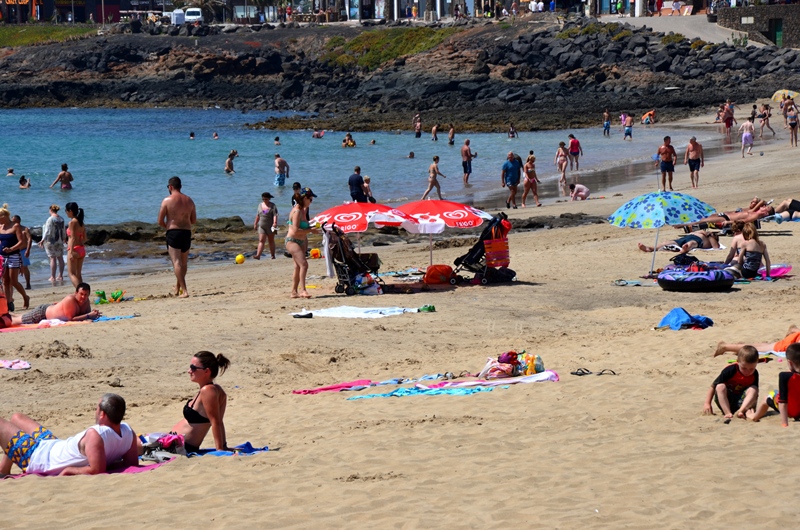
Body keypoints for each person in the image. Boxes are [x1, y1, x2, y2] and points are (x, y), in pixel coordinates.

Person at [0, 394, 137, 476]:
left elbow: (97, 470)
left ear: (102, 414)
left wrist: (70, 470)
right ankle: (3, 470)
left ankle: (2, 470)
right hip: (52, 444)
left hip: (36, 457)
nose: (95, 412)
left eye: (97, 408)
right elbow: (131, 464)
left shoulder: (95, 435)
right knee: (16, 418)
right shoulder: (128, 432)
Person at [169, 351, 231, 453]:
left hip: (179, 446)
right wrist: (223, 446)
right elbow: (219, 421)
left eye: (193, 368)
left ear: (206, 371)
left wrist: (220, 449)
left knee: (139, 444)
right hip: (175, 442)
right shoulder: (216, 389)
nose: (189, 371)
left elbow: (216, 422)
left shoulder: (208, 391)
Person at [158, 177, 196, 298]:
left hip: (173, 232)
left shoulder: (167, 200)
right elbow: (193, 220)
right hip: (186, 232)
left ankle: (184, 291)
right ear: (180, 186)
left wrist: (169, 227)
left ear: (170, 187)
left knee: (176, 262)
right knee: (183, 263)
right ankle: (177, 288)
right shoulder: (189, 200)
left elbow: (160, 220)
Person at [748, 343, 800, 426]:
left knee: (768, 397)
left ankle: (754, 417)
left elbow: (783, 401)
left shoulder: (785, 376)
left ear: (790, 362)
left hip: (791, 411)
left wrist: (784, 423)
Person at [703, 345, 759, 420]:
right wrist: (707, 403)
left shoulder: (755, 374)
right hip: (727, 400)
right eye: (744, 368)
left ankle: (741, 411)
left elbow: (754, 395)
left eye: (751, 368)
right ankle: (728, 413)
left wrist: (750, 406)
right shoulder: (730, 370)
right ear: (738, 361)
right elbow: (713, 386)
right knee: (720, 386)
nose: (747, 372)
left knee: (754, 389)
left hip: (742, 402)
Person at [11, 282, 101, 326]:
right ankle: (6, 315)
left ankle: (11, 313)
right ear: (76, 293)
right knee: (16, 320)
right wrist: (89, 315)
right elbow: (71, 319)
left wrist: (93, 314)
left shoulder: (86, 300)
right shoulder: (70, 299)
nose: (83, 297)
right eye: (81, 294)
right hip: (42, 313)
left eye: (86, 295)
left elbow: (86, 314)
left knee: (19, 316)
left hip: (49, 310)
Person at [286, 187, 318, 299]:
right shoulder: (297, 211)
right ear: (305, 198)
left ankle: (294, 292)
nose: (311, 202)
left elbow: (304, 226)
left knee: (298, 266)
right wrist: (311, 230)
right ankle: (303, 290)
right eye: (310, 199)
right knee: (304, 264)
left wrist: (313, 227)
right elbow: (295, 230)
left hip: (302, 241)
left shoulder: (304, 210)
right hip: (292, 241)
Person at [0, 205, 29, 311]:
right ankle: (9, 302)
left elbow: (21, 242)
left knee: (13, 281)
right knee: (5, 281)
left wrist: (11, 249)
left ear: (4, 216)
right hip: (2, 256)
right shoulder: (0, 227)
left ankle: (25, 297)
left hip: (14, 255)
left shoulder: (15, 226)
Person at [39, 204, 66, 282]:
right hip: (60, 240)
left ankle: (53, 277)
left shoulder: (50, 219)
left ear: (50, 210)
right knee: (60, 258)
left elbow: (47, 230)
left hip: (51, 241)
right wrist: (64, 238)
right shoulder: (61, 219)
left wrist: (42, 240)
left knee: (52, 258)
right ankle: (60, 276)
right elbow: (63, 229)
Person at [64, 201, 87, 289]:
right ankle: (83, 293)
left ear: (70, 211)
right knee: (78, 274)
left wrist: (71, 251)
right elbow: (85, 238)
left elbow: (73, 238)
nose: (66, 213)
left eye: (66, 211)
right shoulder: (81, 222)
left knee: (72, 274)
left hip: (74, 249)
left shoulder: (72, 222)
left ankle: (80, 292)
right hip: (81, 249)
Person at [637, 231, 719, 254]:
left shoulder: (711, 239)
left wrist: (710, 236)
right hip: (687, 237)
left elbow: (716, 247)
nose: (712, 233)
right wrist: (704, 232)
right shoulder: (703, 232)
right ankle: (650, 248)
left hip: (697, 240)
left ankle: (684, 249)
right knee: (667, 242)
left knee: (691, 244)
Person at [254, 192, 278, 260]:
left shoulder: (273, 205)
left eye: (266, 199)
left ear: (269, 199)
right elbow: (258, 215)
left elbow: (275, 215)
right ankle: (258, 255)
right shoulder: (260, 205)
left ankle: (273, 255)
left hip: (271, 226)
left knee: (271, 241)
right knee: (261, 240)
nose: (264, 200)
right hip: (262, 226)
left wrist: (275, 223)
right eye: (263, 199)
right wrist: (255, 223)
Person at [12, 215, 31, 290]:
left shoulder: (24, 229)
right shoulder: (12, 229)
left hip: (23, 250)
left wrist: (28, 250)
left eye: (15, 221)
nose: (13, 222)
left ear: (19, 221)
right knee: (14, 268)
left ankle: (28, 284)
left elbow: (29, 239)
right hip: (15, 251)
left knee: (25, 267)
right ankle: (15, 284)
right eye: (12, 221)